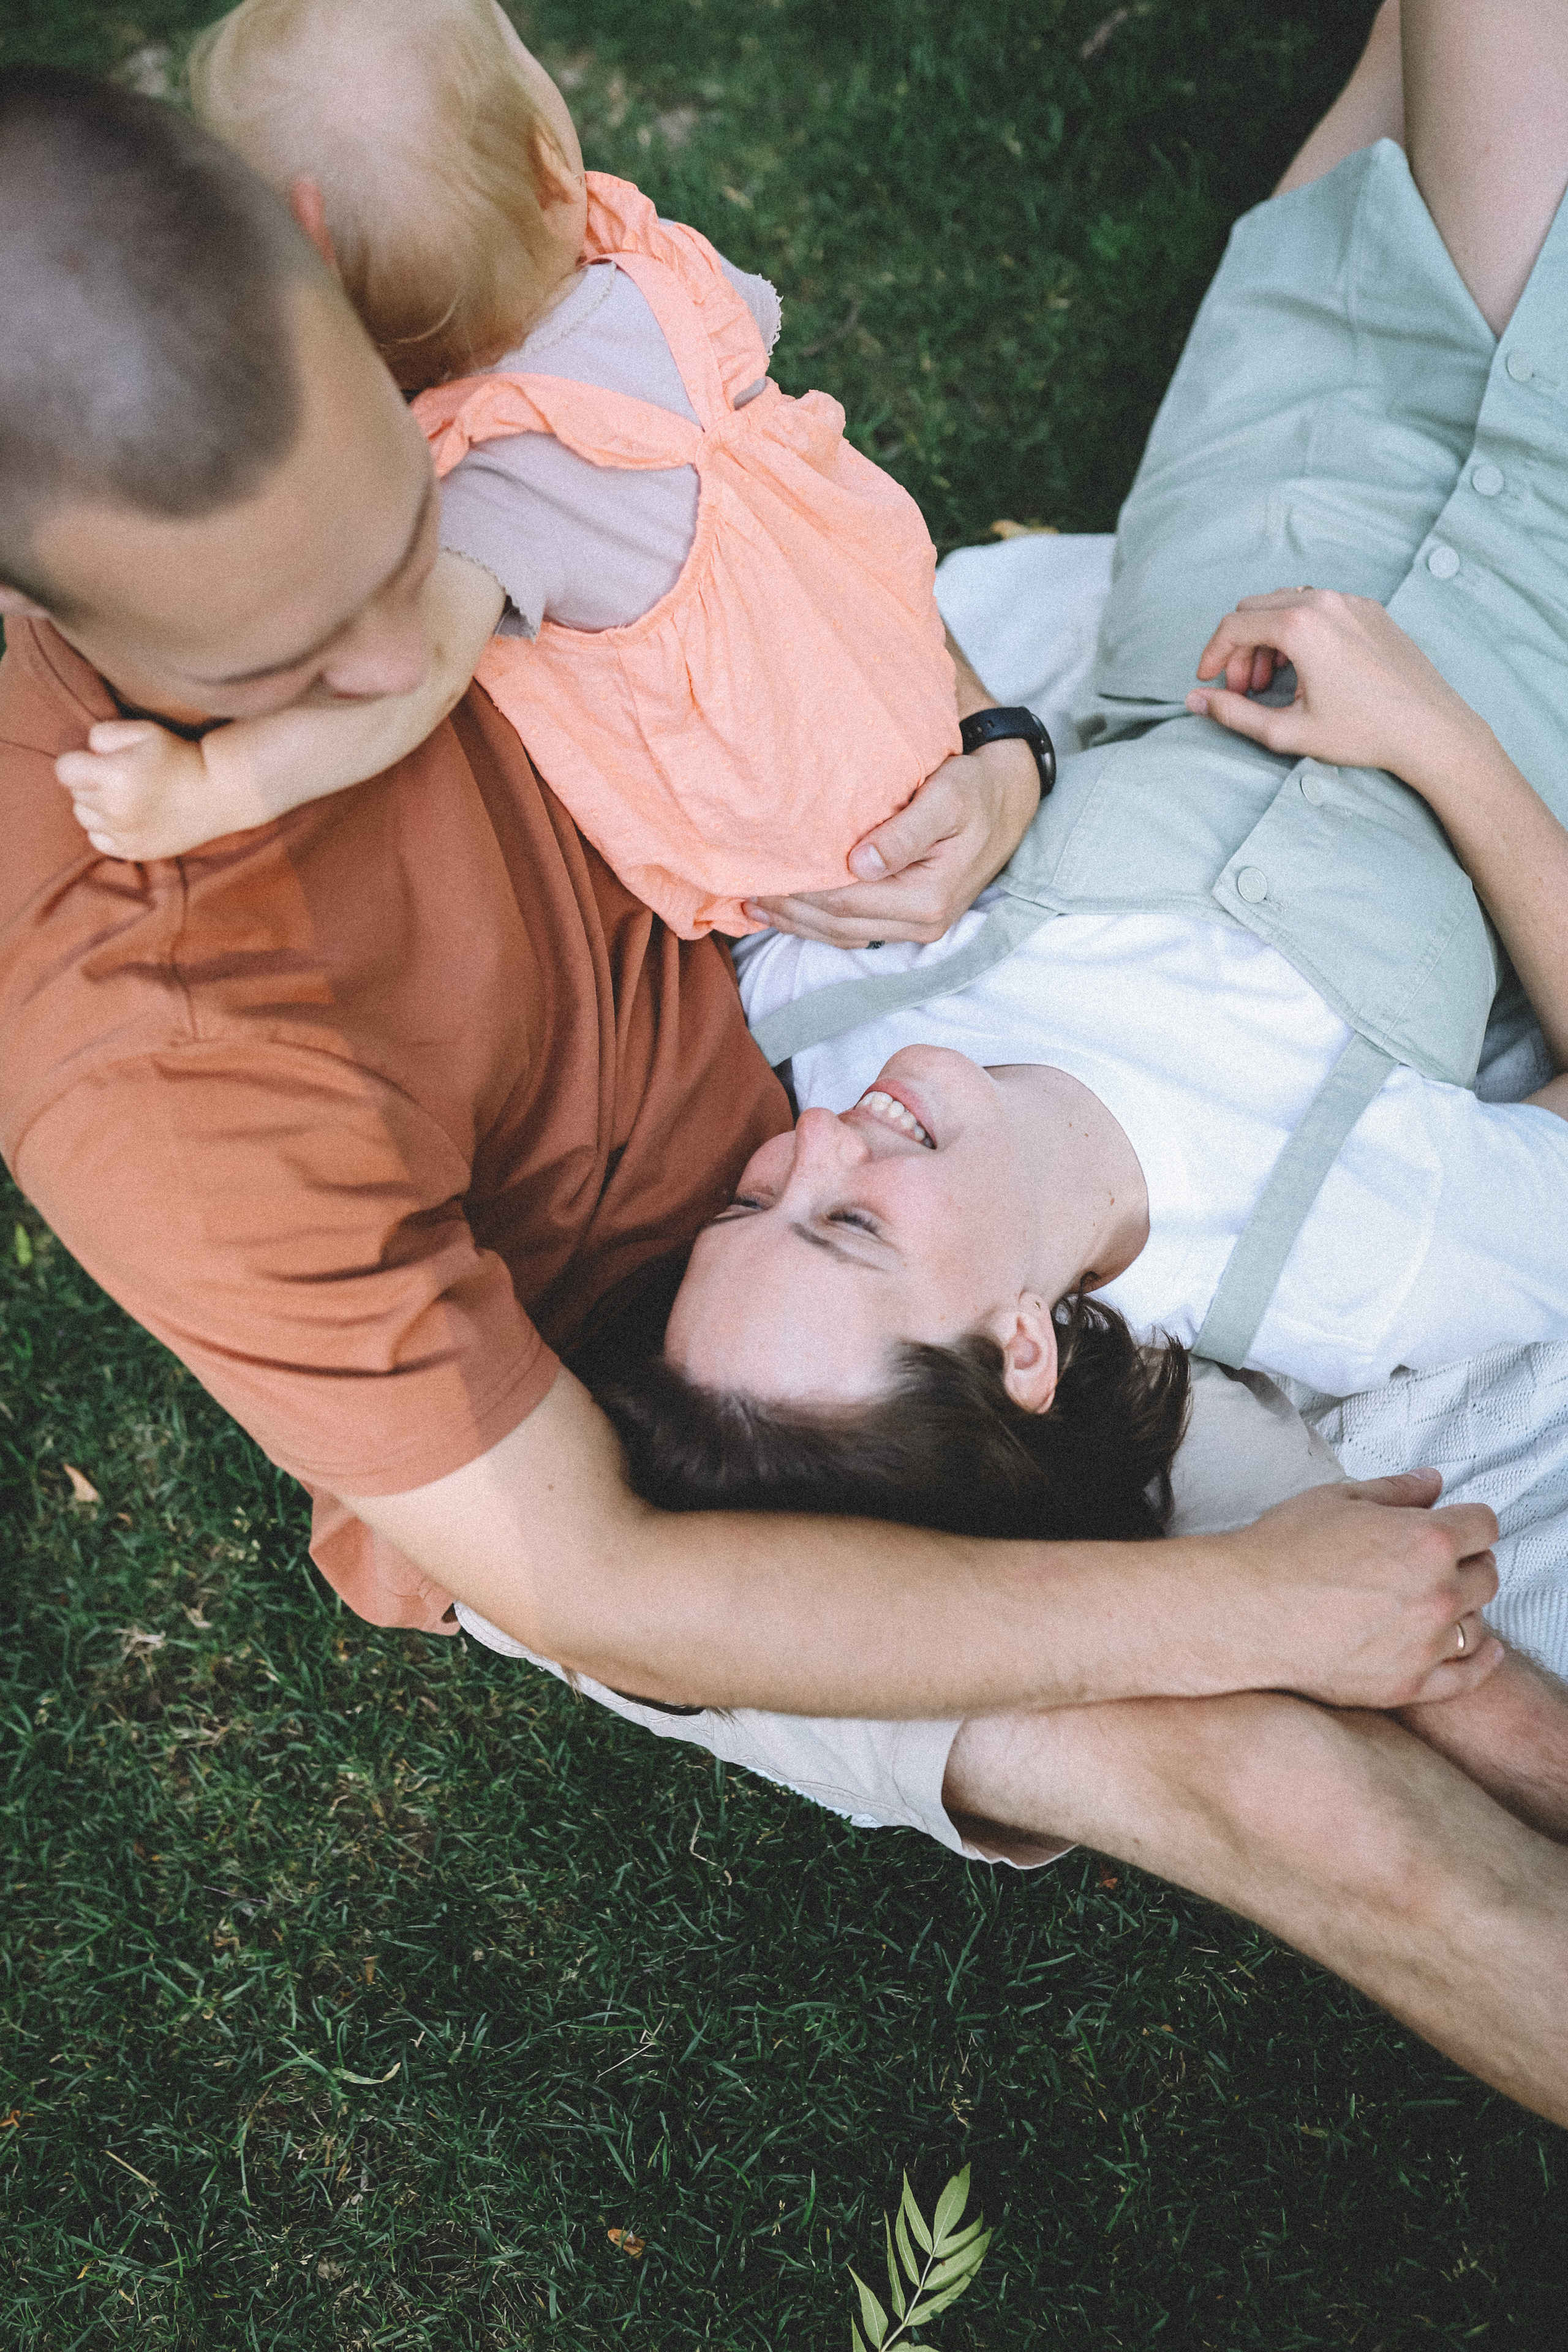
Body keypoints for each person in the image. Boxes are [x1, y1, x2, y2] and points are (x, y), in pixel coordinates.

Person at [1, 23, 1564, 2132]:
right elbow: (598, 1572)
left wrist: (994, 754)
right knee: (1286, 1766)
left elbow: (770, 601)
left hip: (851, 1015)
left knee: (1451, 1646)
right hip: (667, 1429)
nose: (410, 664)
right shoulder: (145, 1041)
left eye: (405, 549)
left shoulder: (359, 344)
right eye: (288, 674)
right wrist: (1205, 1606)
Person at [48, 0, 1048, 945]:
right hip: (905, 694)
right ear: (552, 166)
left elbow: (412, 684)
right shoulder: (662, 284)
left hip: (805, 851)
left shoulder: (500, 483)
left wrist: (211, 788)